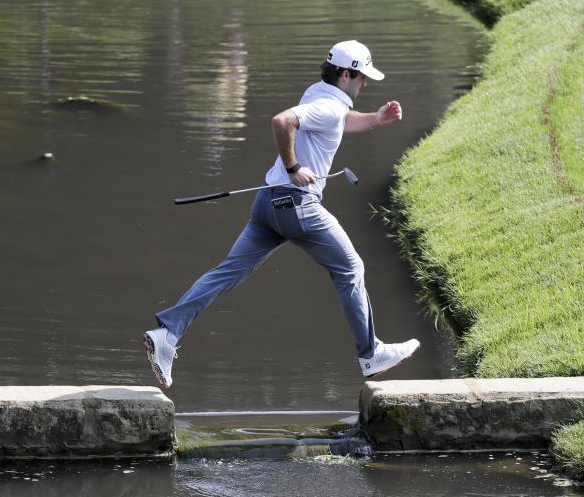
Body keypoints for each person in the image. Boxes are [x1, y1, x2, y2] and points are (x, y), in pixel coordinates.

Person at [144, 40, 419, 388]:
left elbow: (337, 121)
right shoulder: (328, 106)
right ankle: (370, 355)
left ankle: (167, 334)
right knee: (351, 268)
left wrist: (377, 120)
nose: (364, 83)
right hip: (297, 206)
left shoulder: (320, 96)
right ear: (347, 74)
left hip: (266, 204)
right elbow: (282, 121)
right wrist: (293, 166)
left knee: (228, 271)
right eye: (362, 76)